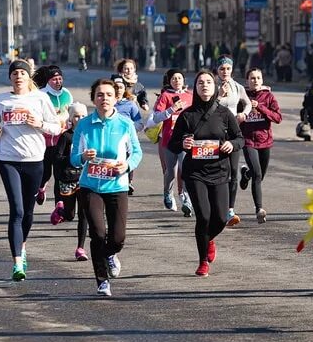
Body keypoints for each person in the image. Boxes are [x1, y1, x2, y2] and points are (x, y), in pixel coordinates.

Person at [0, 59, 61, 281]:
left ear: (29, 77)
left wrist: (39, 124)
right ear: (10, 77)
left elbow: (56, 126)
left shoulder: (40, 98)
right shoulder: (1, 99)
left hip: (34, 159)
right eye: (15, 73)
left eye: (22, 73)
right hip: (8, 159)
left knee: (28, 212)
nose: (18, 76)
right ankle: (17, 262)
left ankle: (23, 245)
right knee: (17, 210)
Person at [168, 70, 244, 277]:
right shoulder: (187, 115)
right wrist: (183, 143)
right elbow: (173, 144)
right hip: (195, 173)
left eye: (209, 82)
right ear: (196, 87)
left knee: (219, 218)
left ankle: (208, 239)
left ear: (215, 87)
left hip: (219, 171)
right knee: (203, 216)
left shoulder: (224, 114)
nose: (205, 85)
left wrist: (230, 144)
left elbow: (240, 138)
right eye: (200, 82)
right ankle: (203, 261)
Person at [71, 78, 143, 296]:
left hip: (117, 185)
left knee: (118, 238)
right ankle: (102, 281)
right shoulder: (84, 125)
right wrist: (82, 156)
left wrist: (127, 165)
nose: (104, 99)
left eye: (109, 95)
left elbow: (137, 152)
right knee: (98, 234)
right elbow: (73, 158)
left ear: (115, 98)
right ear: (94, 98)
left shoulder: (124, 124)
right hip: (90, 186)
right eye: (100, 95)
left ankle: (111, 254)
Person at [238, 67, 282, 224]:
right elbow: (234, 117)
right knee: (257, 174)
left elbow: (278, 118)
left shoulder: (268, 96)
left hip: (265, 141)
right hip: (248, 140)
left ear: (262, 80)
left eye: (258, 78)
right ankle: (259, 209)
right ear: (247, 81)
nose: (255, 81)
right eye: (252, 78)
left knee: (260, 175)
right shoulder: (242, 97)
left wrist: (261, 108)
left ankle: (245, 174)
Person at [148, 69, 193, 215]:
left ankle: (186, 199)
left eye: (179, 78)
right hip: (169, 140)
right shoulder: (165, 96)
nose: (177, 81)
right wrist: (171, 110)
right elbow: (155, 118)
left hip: (186, 140)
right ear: (169, 81)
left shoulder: (190, 96)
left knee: (185, 170)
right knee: (171, 172)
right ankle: (167, 192)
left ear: (183, 80)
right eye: (174, 78)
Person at [213, 57, 251, 226]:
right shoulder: (211, 86)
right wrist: (218, 96)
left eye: (228, 68)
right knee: (218, 170)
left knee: (233, 172)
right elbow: (206, 107)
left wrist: (244, 114)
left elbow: (248, 103)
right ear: (217, 70)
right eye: (222, 69)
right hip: (215, 133)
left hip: (233, 132)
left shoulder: (237, 86)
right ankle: (216, 206)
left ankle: (230, 209)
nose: (225, 72)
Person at [51, 101, 89, 261]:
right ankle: (61, 211)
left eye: (83, 116)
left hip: (86, 179)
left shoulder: (90, 134)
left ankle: (80, 248)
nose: (79, 119)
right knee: (70, 215)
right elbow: (57, 158)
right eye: (76, 116)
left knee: (84, 214)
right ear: (71, 119)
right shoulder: (66, 136)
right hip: (69, 178)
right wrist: (74, 159)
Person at [34, 65, 72, 206]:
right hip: (44, 140)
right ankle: (41, 188)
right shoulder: (41, 95)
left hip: (60, 140)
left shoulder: (67, 94)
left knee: (59, 175)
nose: (58, 82)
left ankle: (59, 205)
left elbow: (71, 112)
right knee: (45, 173)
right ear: (48, 80)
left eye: (60, 78)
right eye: (54, 79)